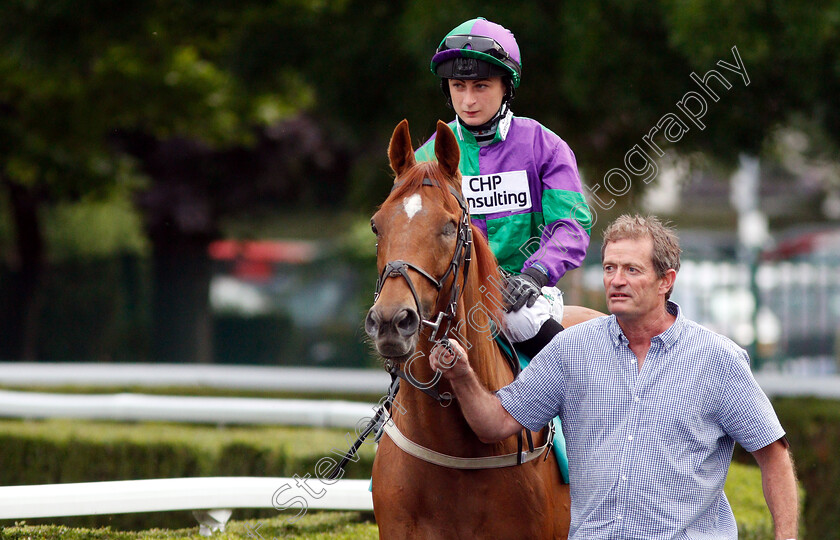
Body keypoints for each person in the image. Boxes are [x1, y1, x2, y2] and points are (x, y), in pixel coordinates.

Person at [430, 214, 799, 540]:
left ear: (665, 281)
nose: (616, 280)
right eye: (609, 268)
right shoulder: (568, 350)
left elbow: (774, 455)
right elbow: (494, 424)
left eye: (631, 270)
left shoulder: (718, 359)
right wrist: (462, 375)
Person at [415, 17, 593, 358]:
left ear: (506, 87)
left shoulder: (544, 145)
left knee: (520, 319)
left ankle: (585, 396)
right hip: (447, 296)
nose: (467, 100)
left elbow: (571, 225)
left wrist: (536, 274)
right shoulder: (428, 157)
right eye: (457, 86)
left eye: (481, 86)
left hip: (522, 294)